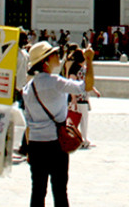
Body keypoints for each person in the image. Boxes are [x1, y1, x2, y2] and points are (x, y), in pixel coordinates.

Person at [22, 40, 95, 207]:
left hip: (36, 144)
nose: (58, 56)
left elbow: (29, 122)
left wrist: (28, 149)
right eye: (54, 54)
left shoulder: (28, 88)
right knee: (60, 190)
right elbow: (87, 86)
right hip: (56, 144)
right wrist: (90, 60)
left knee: (38, 191)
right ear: (45, 61)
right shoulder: (56, 82)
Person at [65, 47, 97, 149]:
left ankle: (81, 138)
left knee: (81, 119)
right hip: (79, 98)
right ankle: (82, 138)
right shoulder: (75, 68)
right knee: (82, 119)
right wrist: (73, 97)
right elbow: (71, 83)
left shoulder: (80, 68)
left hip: (83, 97)